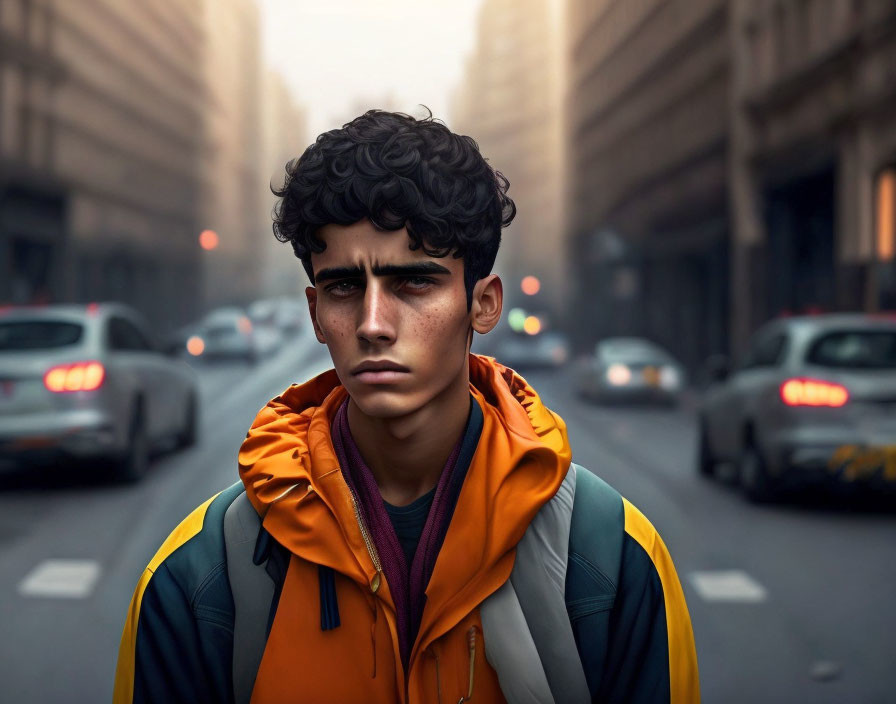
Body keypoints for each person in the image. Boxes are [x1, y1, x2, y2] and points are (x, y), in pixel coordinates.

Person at [113, 109, 699, 703]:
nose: (372, 324)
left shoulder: (614, 557)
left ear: (484, 305)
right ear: (316, 314)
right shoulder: (199, 573)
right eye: (343, 287)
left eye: (414, 283)